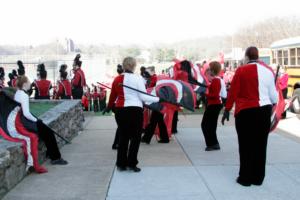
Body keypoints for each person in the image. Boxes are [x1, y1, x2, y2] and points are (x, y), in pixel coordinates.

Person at [222, 46, 278, 187]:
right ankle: (258, 178)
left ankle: (245, 178)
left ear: (246, 57)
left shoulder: (241, 70)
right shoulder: (268, 71)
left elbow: (233, 92)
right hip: (263, 111)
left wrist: (227, 110)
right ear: (258, 56)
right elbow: (274, 96)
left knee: (245, 145)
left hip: (245, 112)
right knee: (260, 145)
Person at [104, 57, 160, 172]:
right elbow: (143, 97)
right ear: (134, 66)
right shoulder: (138, 79)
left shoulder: (117, 79)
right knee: (135, 138)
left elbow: (112, 97)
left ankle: (121, 164)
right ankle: (132, 164)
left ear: (124, 66)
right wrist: (158, 99)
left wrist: (109, 107)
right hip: (134, 110)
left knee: (123, 137)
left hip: (120, 111)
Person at [14, 76, 68, 166]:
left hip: (21, 121)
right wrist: (37, 120)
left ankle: (49, 153)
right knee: (49, 133)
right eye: (28, 82)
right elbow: (26, 113)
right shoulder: (24, 96)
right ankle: (55, 158)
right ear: (24, 84)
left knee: (46, 132)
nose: (30, 84)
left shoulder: (18, 93)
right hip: (25, 123)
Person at [201, 61, 227, 151]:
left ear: (213, 69)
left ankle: (211, 144)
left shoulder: (216, 80)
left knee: (205, 125)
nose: (209, 70)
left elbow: (215, 95)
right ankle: (214, 143)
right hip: (216, 104)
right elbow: (221, 94)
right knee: (211, 125)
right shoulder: (218, 79)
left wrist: (205, 93)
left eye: (210, 68)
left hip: (214, 104)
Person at [112, 64, 124, 150]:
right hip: (121, 105)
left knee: (121, 126)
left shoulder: (116, 79)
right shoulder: (122, 79)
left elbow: (112, 95)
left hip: (116, 106)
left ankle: (117, 143)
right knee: (121, 127)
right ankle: (116, 144)